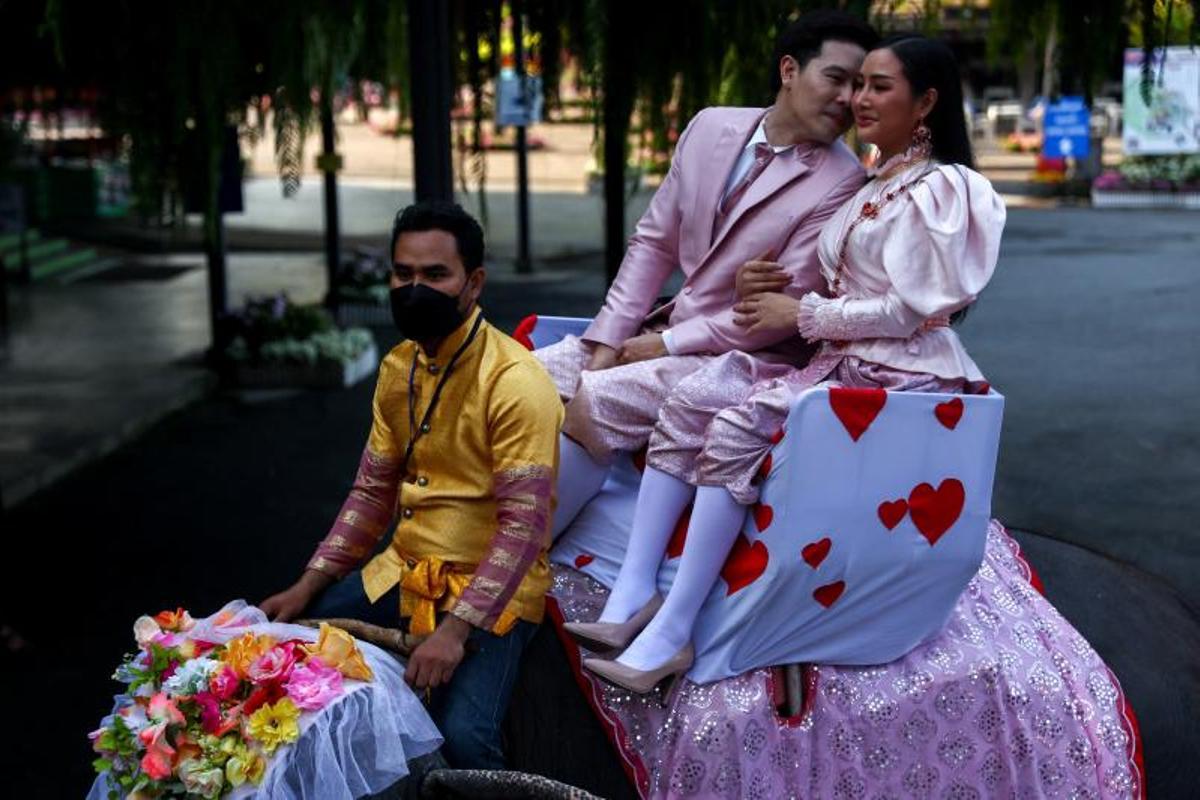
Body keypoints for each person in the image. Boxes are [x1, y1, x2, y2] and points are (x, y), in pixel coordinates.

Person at [575, 34, 1004, 691]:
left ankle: (673, 628)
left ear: (926, 103)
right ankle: (635, 592)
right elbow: (832, 291)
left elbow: (905, 311)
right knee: (698, 399)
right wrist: (764, 295)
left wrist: (797, 315)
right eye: (857, 83)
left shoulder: (943, 188)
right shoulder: (874, 181)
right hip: (835, 356)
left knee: (740, 424)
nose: (858, 98)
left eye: (879, 86)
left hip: (898, 370)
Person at [535, 11, 878, 537]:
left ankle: (520, 569)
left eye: (858, 87)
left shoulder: (844, 181)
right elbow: (653, 243)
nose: (847, 99)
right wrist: (607, 338)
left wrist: (668, 343)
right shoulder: (709, 126)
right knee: (521, 378)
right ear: (789, 70)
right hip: (664, 330)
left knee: (600, 399)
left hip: (748, 357)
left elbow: (772, 316)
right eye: (835, 78)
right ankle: (468, 534)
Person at [260, 201, 562, 769]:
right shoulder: (400, 367)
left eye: (435, 275)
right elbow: (371, 493)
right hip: (403, 568)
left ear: (473, 283)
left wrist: (453, 632)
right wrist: (307, 586)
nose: (413, 288)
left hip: (492, 593)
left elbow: (523, 530)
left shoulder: (517, 381)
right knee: (286, 651)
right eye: (403, 274)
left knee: (466, 740)